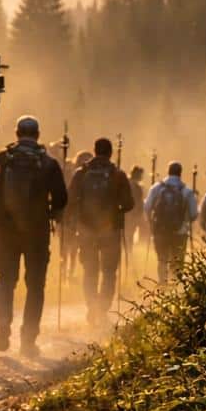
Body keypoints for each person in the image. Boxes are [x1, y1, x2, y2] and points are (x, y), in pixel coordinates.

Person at [0, 116, 67, 357]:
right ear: (37, 135)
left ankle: (3, 323)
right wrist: (52, 215)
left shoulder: (1, 159)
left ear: (17, 133)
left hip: (6, 230)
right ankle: (28, 340)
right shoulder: (48, 163)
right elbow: (61, 198)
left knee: (5, 279)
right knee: (35, 286)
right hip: (37, 232)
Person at [66, 138, 134, 325]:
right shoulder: (118, 174)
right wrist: (117, 208)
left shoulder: (81, 173)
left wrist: (71, 223)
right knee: (109, 271)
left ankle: (91, 305)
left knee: (89, 271)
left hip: (86, 229)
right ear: (111, 153)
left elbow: (70, 199)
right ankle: (102, 309)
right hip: (109, 231)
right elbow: (129, 204)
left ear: (94, 151)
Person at [144, 162, 198, 283]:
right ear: (180, 173)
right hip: (180, 232)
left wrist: (151, 223)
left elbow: (147, 207)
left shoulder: (156, 188)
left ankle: (162, 286)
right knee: (177, 261)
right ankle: (175, 289)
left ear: (168, 171)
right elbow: (194, 214)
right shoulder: (186, 191)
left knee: (162, 260)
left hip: (160, 230)